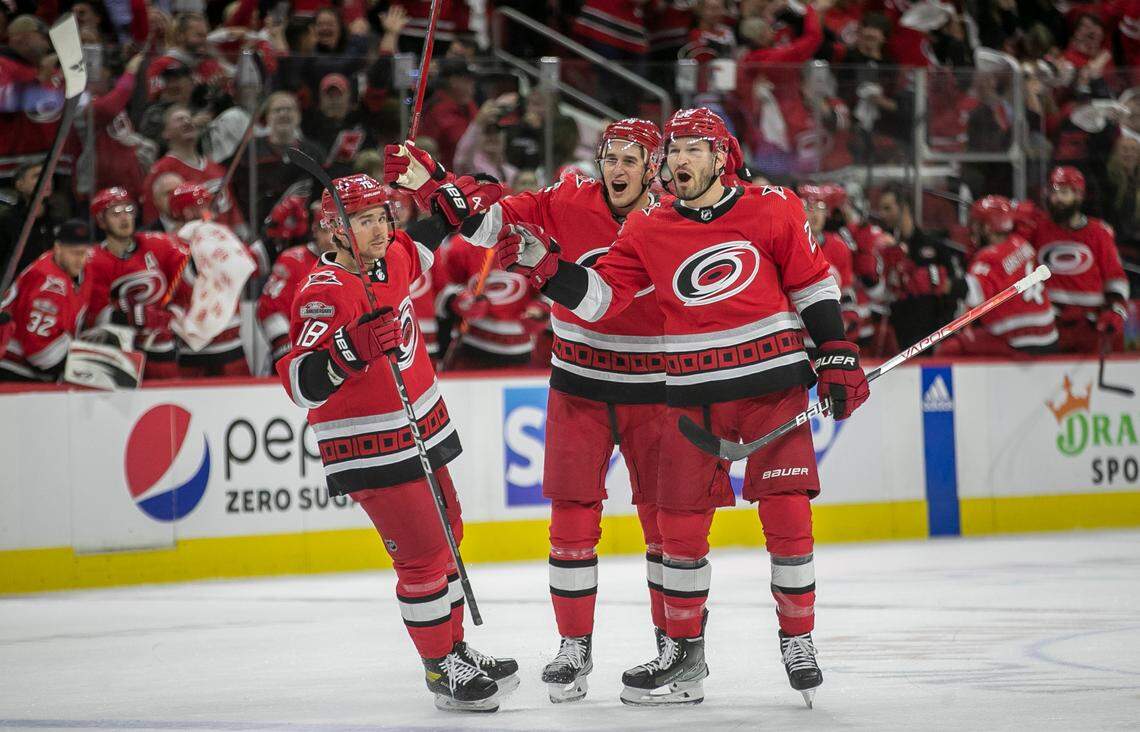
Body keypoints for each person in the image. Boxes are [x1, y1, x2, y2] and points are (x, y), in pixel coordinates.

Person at [493, 107, 870, 707]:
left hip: (770, 388)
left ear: (721, 158)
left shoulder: (771, 207)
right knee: (679, 532)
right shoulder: (650, 228)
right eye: (674, 151)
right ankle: (683, 656)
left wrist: (836, 350)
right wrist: (544, 268)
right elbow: (599, 301)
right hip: (692, 397)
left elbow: (812, 282)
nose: (680, 161)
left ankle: (799, 640)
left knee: (789, 520)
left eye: (694, 150)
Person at [386, 118, 669, 703]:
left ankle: (674, 646)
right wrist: (432, 182)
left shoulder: (674, 219)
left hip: (657, 387)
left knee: (667, 525)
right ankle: (574, 646)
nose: (616, 169)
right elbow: (491, 225)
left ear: (653, 167)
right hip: (579, 382)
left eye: (630, 160)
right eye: (610, 157)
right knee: (570, 521)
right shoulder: (567, 197)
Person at [274, 173, 517, 712]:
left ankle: (455, 647)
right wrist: (348, 349)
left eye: (383, 216)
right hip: (370, 445)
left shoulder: (389, 259)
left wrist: (452, 202)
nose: (382, 228)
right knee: (424, 556)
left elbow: (423, 239)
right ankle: (440, 670)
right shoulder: (323, 291)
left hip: (420, 430)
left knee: (449, 534)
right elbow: (298, 381)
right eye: (365, 220)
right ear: (336, 230)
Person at [81, 187, 190, 380]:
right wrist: (132, 316)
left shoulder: (159, 244)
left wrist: (173, 314)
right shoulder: (92, 261)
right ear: (100, 220)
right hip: (118, 355)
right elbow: (94, 314)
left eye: (128, 211)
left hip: (161, 349)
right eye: (115, 213)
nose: (124, 218)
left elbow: (186, 282)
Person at [938, 196, 1058, 357]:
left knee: (949, 349)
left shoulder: (989, 256)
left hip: (1018, 341)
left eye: (976, 225)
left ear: (987, 228)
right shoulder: (1021, 243)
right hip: (1048, 337)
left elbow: (974, 293)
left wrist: (939, 282)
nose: (972, 230)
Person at [1026, 166, 1129, 352]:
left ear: (1079, 196)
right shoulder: (1037, 229)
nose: (1057, 198)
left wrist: (1115, 309)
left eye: (1064, 193)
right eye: (1054, 192)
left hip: (1090, 323)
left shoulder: (1098, 232)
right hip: (1051, 322)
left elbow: (1115, 277)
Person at [166, 183, 251, 377]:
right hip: (197, 348)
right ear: (187, 211)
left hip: (218, 345)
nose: (208, 211)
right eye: (202, 205)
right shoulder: (173, 245)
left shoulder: (219, 236)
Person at [873, 184, 967, 351]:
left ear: (903, 207)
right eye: (881, 209)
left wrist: (944, 328)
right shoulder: (885, 247)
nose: (882, 214)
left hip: (933, 334)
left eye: (888, 208)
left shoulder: (934, 245)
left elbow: (958, 287)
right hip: (901, 334)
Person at [0, 220, 94, 381]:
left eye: (85, 253)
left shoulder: (69, 270)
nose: (81, 260)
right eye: (75, 253)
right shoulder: (48, 282)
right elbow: (39, 352)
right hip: (13, 368)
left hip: (25, 368)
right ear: (57, 248)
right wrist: (84, 366)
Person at [258, 201, 334, 365]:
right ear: (315, 231)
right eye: (325, 231)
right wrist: (287, 349)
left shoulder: (360, 263)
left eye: (337, 230)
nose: (332, 238)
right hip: (297, 355)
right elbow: (270, 308)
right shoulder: (293, 260)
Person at [0, 159, 54, 277]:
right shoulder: (7, 222)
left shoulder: (57, 220)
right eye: (37, 176)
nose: (46, 180)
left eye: (49, 175)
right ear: (20, 184)